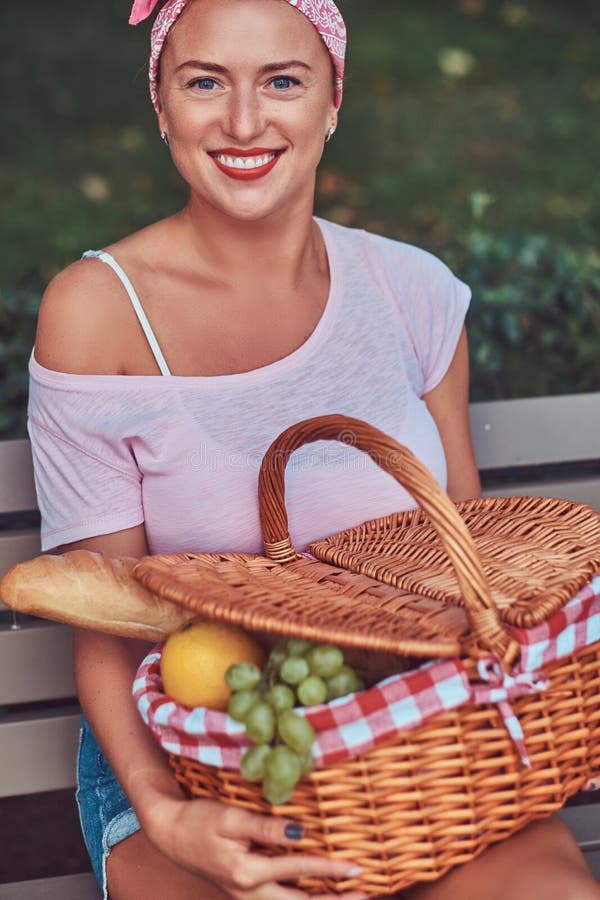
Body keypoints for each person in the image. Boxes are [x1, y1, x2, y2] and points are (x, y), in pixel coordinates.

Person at [28, 0, 600, 898]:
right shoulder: (96, 315)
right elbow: (107, 619)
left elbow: (471, 568)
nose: (246, 122)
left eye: (283, 82)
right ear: (161, 105)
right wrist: (164, 811)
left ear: (333, 100)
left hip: (422, 752)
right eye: (205, 81)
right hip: (189, 760)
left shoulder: (412, 295)